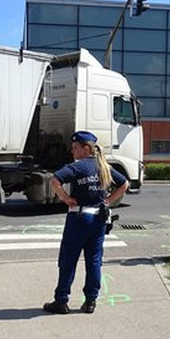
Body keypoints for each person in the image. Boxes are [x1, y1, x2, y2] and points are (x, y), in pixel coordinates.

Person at [43, 130, 129, 315]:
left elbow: (55, 179)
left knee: (68, 259)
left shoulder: (78, 167)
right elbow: (124, 184)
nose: (73, 151)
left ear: (86, 149)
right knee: (94, 261)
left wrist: (66, 198)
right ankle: (90, 301)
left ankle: (61, 300)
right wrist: (108, 201)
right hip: (99, 219)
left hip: (79, 218)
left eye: (75, 148)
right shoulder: (104, 167)